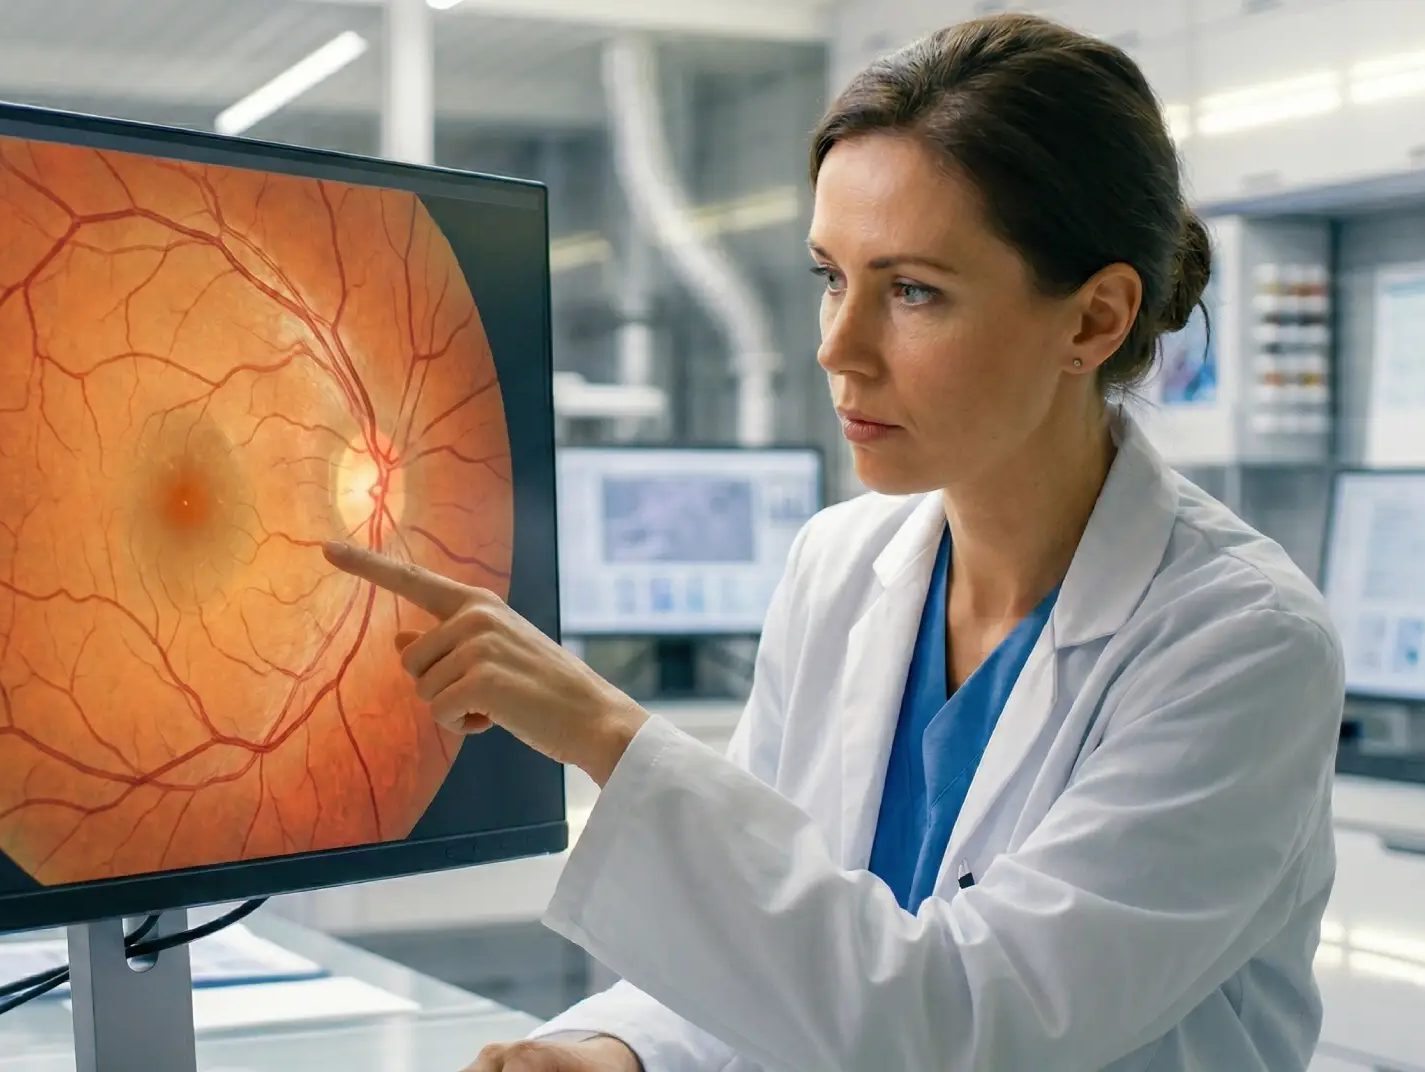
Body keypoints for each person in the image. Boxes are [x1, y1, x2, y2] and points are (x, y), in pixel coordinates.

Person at [325, 13, 1344, 1071]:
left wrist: (602, 730)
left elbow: (968, 1018)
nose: (838, 349)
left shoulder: (1240, 644)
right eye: (830, 277)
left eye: (912, 291)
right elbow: (774, 946)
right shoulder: (841, 564)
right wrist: (617, 1050)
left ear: (1092, 322)